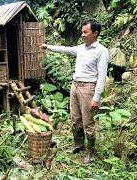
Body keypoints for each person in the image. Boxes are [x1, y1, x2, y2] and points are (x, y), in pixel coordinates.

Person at [41, 19, 109, 164]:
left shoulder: (102, 51)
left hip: (88, 88)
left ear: (95, 33)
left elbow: (102, 76)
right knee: (75, 119)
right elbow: (65, 49)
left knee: (88, 122)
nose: (82, 35)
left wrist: (96, 97)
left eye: (86, 32)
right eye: (82, 32)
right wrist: (47, 47)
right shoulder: (80, 48)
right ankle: (78, 145)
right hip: (75, 86)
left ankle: (91, 152)